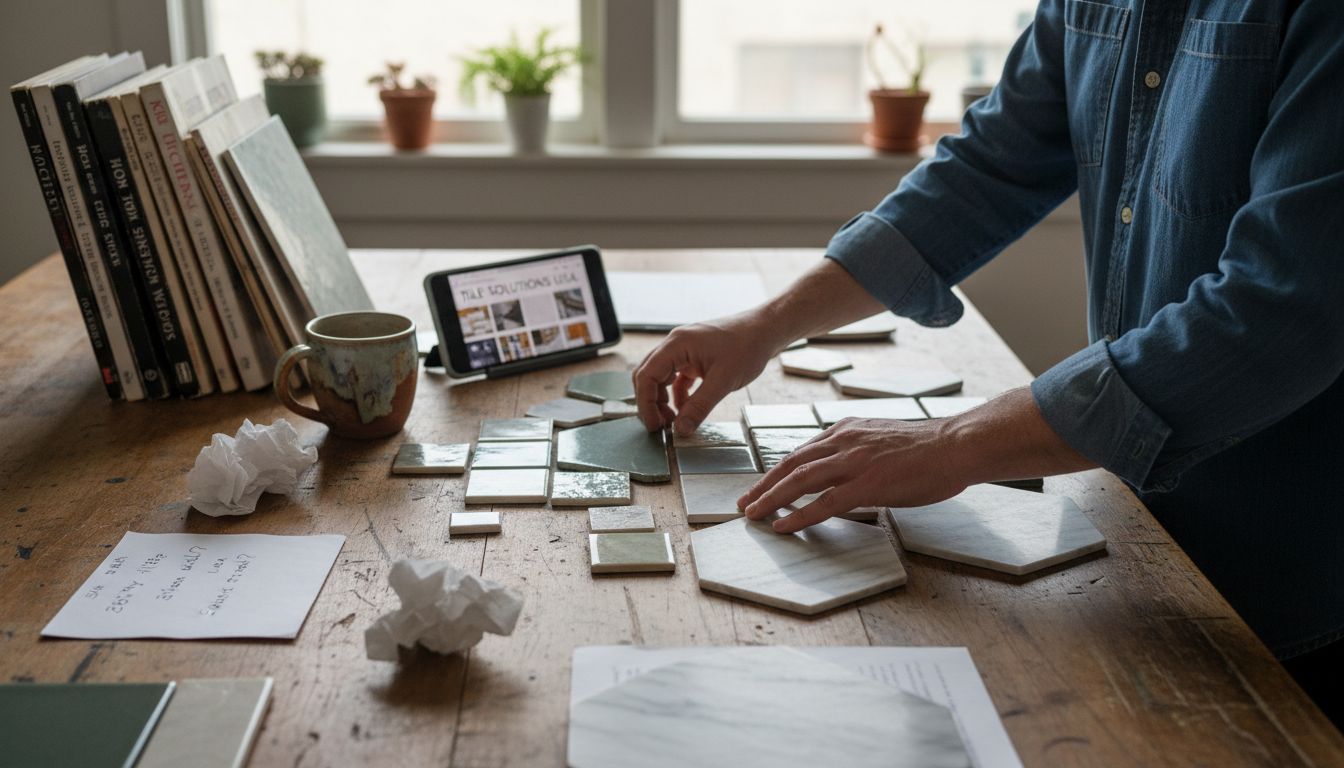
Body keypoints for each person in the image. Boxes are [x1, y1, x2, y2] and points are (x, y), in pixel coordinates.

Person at [632, 0, 1343, 728]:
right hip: (1139, 537)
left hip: (1296, 582)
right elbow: (989, 164)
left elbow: (1282, 312)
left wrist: (951, 443)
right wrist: (767, 324)